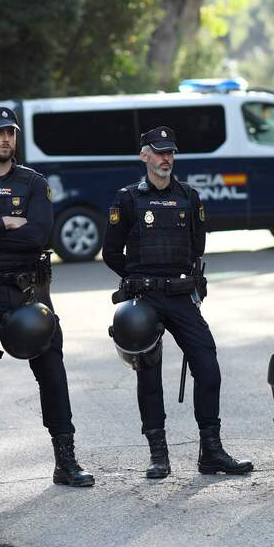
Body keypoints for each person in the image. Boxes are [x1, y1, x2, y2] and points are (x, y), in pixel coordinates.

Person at [0, 106, 93, 495]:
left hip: (29, 294)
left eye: (10, 132)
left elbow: (39, 235)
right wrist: (7, 222)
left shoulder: (33, 184)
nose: (6, 139)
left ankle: (66, 461)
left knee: (52, 375)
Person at [102, 125, 253, 479]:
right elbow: (110, 252)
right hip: (145, 298)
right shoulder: (126, 199)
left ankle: (211, 452)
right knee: (149, 375)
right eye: (159, 152)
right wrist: (137, 275)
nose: (166, 158)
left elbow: (196, 247)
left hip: (182, 296)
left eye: (170, 152)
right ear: (145, 156)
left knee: (208, 366)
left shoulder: (189, 196)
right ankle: (158, 454)